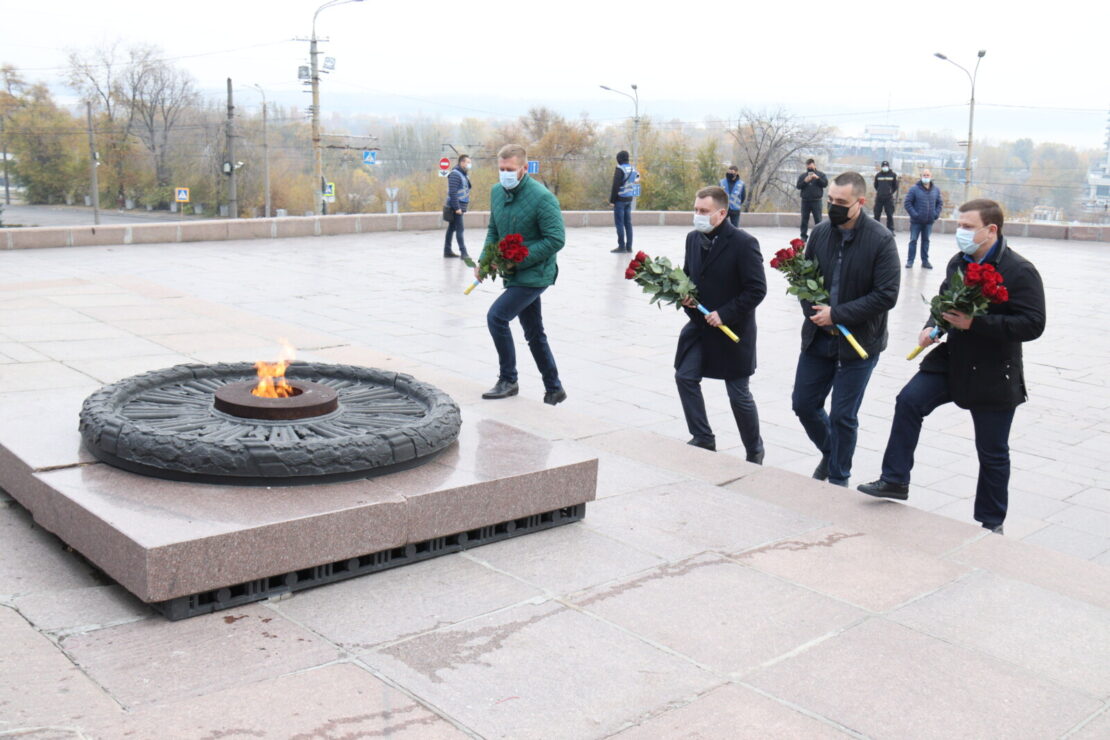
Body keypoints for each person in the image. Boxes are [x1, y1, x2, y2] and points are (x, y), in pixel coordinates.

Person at [858, 199, 1046, 535]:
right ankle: (895, 479)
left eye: (968, 227)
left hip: (994, 370)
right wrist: (934, 324)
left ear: (992, 230)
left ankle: (992, 522)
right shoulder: (958, 263)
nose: (961, 232)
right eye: (960, 225)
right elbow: (945, 302)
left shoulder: (1020, 270)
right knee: (909, 401)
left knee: (992, 451)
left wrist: (977, 323)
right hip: (953, 360)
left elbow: (1033, 324)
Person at [791, 171, 901, 487]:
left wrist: (837, 314)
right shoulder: (821, 233)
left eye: (841, 202)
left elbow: (886, 295)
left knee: (843, 415)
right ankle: (831, 452)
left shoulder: (881, 240)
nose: (833, 207)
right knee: (803, 404)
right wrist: (815, 313)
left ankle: (838, 478)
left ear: (860, 202)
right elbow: (803, 281)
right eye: (831, 201)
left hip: (860, 343)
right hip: (818, 338)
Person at [675, 186, 767, 462]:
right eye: (696, 210)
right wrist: (686, 297)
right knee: (685, 376)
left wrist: (725, 314)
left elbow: (756, 289)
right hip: (701, 328)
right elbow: (690, 276)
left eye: (704, 211)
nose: (698, 215)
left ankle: (754, 449)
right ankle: (703, 437)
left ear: (722, 213)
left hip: (732, 331)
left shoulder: (744, 243)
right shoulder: (693, 239)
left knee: (738, 394)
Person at [475, 144, 567, 405]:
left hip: (536, 273)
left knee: (497, 317)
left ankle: (508, 379)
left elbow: (556, 239)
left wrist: (517, 256)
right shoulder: (497, 192)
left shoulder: (543, 198)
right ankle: (554, 387)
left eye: (510, 170)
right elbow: (494, 229)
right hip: (513, 272)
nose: (505, 174)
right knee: (534, 332)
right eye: (501, 169)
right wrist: (484, 260)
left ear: (524, 169)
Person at [903, 169, 943, 269]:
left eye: (927, 175)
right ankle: (910, 261)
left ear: (931, 176)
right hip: (916, 222)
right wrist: (914, 215)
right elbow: (907, 203)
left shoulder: (936, 190)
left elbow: (939, 203)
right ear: (921, 176)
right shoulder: (914, 189)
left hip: (929, 221)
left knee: (926, 241)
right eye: (924, 175)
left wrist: (935, 214)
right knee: (913, 241)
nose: (926, 177)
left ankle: (925, 261)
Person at [608, 150, 638, 253]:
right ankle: (629, 246)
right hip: (629, 199)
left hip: (620, 200)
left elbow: (615, 185)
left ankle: (621, 246)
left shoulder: (620, 169)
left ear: (619, 159)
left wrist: (612, 200)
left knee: (619, 223)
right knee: (628, 224)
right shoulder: (633, 169)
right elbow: (636, 181)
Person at [443, 154, 472, 258]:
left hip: (460, 206)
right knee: (460, 229)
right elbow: (453, 192)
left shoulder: (463, 174)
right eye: (468, 162)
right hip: (455, 207)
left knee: (451, 228)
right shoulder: (455, 174)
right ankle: (464, 253)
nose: (469, 164)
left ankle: (447, 250)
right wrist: (457, 208)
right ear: (462, 162)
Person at [796, 158, 828, 240]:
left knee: (818, 220)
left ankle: (819, 236)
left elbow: (825, 184)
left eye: (811, 166)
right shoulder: (803, 176)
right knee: (804, 220)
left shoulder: (821, 175)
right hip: (805, 201)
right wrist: (805, 181)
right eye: (808, 167)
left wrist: (817, 178)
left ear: (814, 165)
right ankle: (803, 236)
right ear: (806, 166)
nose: (810, 168)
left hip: (816, 201)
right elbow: (798, 186)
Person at [873, 160, 898, 232]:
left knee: (889, 215)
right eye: (883, 166)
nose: (885, 167)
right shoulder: (878, 175)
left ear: (888, 167)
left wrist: (890, 192)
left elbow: (895, 186)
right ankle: (875, 230)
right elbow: (876, 185)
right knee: (877, 214)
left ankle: (890, 230)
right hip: (879, 198)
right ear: (881, 167)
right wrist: (880, 191)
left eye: (886, 166)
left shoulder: (893, 175)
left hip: (888, 198)